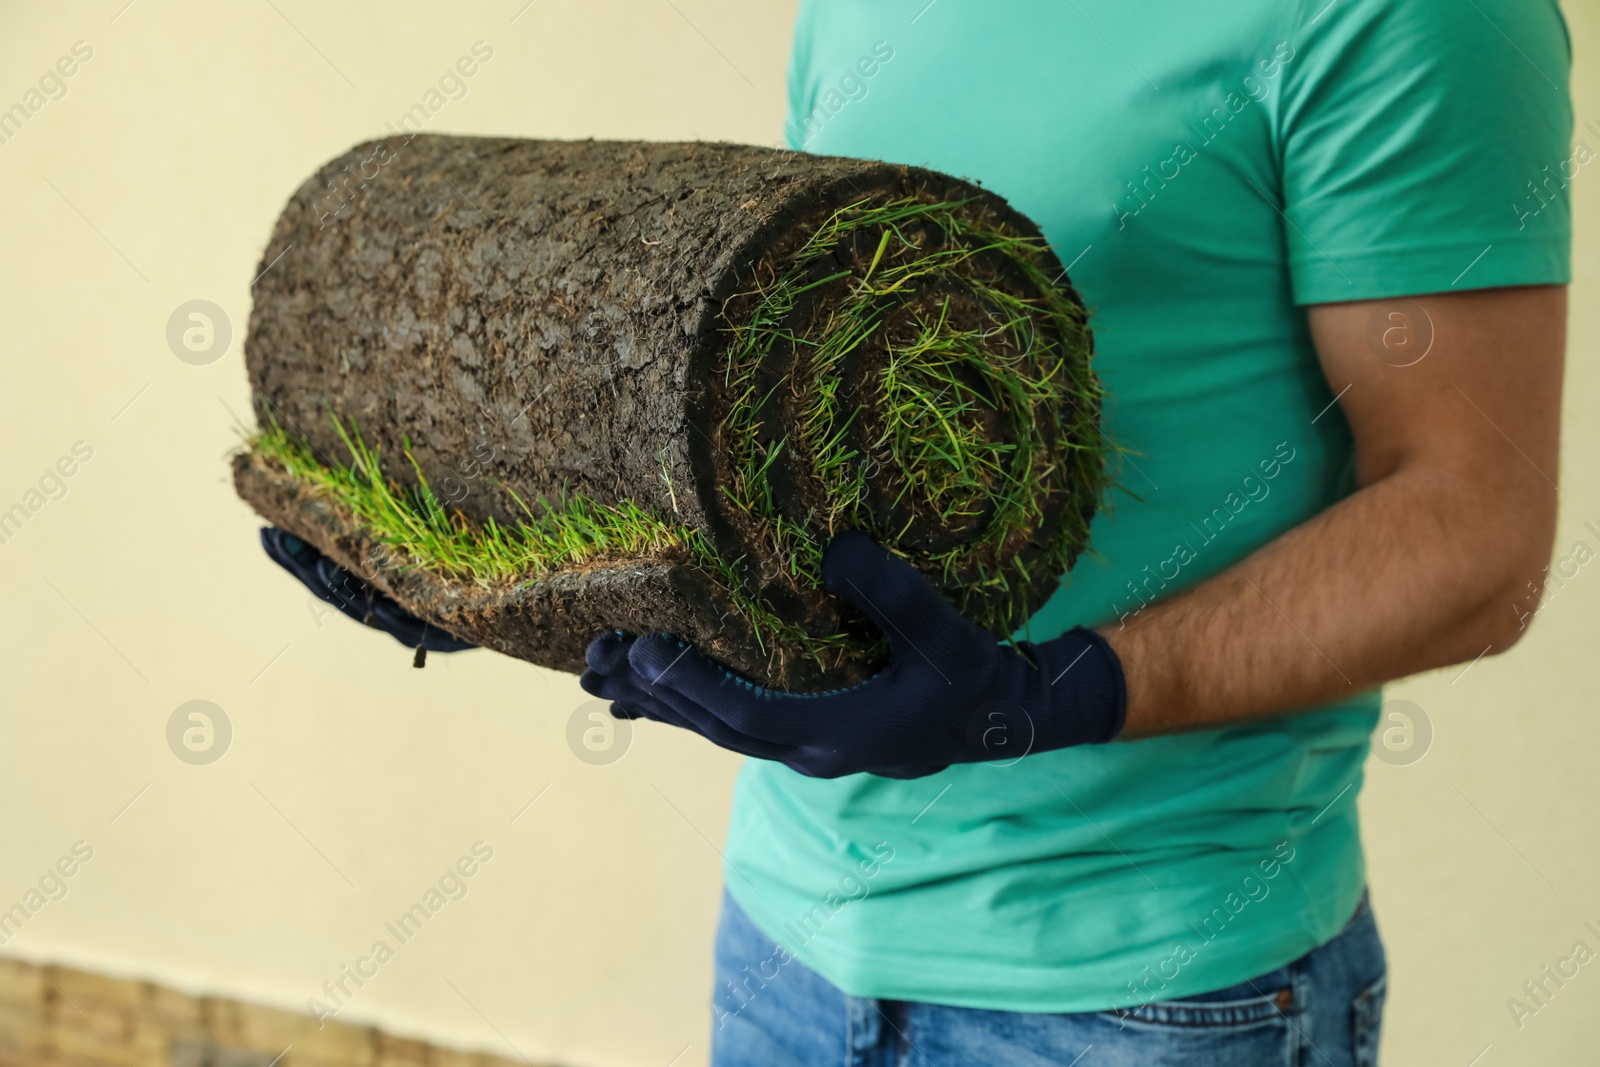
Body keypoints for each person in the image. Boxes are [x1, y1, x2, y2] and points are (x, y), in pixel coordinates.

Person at [262, 0, 1573, 1061]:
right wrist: (464, 555)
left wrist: (1042, 697)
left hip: (1151, 994)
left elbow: (1472, 539)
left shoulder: (1419, 17)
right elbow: (758, 395)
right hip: (788, 944)